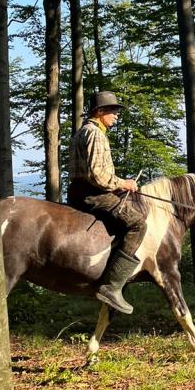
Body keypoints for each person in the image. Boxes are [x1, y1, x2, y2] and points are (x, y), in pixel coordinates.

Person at [67, 90, 148, 314]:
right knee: (138, 223)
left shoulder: (82, 131)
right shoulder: (96, 134)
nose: (116, 116)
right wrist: (124, 183)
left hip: (79, 191)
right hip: (93, 194)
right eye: (113, 111)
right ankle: (111, 287)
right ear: (100, 112)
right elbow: (98, 176)